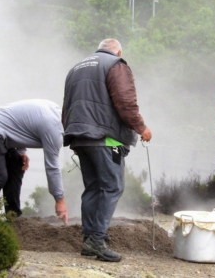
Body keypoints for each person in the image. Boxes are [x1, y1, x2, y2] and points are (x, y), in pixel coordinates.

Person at [62, 38, 152, 262]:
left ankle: (89, 239)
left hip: (80, 137)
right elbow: (125, 102)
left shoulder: (76, 68)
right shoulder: (116, 64)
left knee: (92, 187)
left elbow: (67, 106)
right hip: (105, 137)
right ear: (118, 50)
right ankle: (97, 240)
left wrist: (74, 137)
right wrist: (141, 127)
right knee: (112, 186)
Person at [0, 99, 68, 224]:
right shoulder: (54, 128)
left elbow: (23, 122)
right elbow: (52, 167)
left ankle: (13, 218)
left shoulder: (55, 111)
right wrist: (60, 200)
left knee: (17, 164)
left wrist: (21, 150)